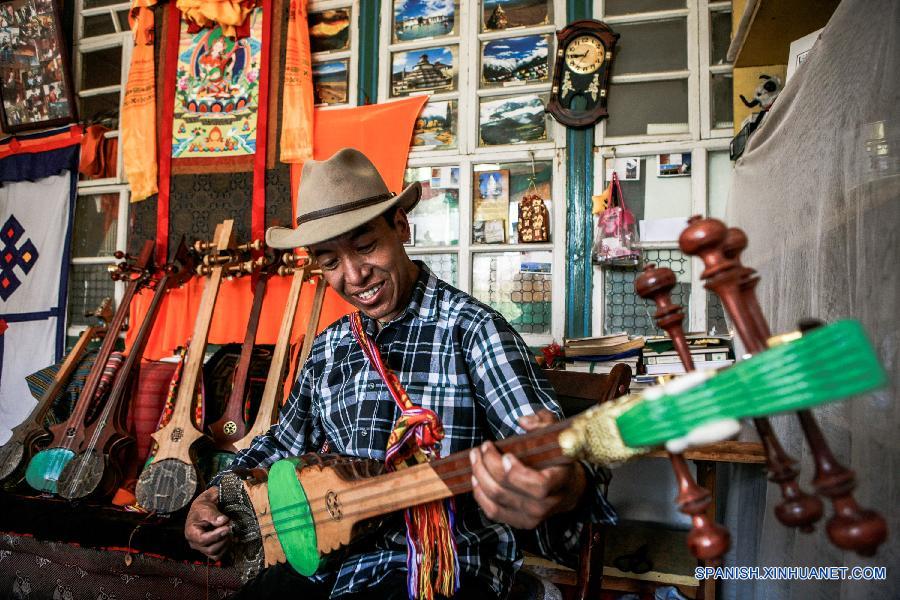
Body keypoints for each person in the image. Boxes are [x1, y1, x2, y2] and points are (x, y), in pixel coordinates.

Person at [184, 148, 617, 599]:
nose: (354, 275)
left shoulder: (474, 332)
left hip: (441, 567)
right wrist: (214, 495)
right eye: (329, 261)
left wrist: (566, 483)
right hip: (331, 563)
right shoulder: (330, 347)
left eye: (365, 245)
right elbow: (282, 443)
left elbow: (557, 458)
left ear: (402, 227)